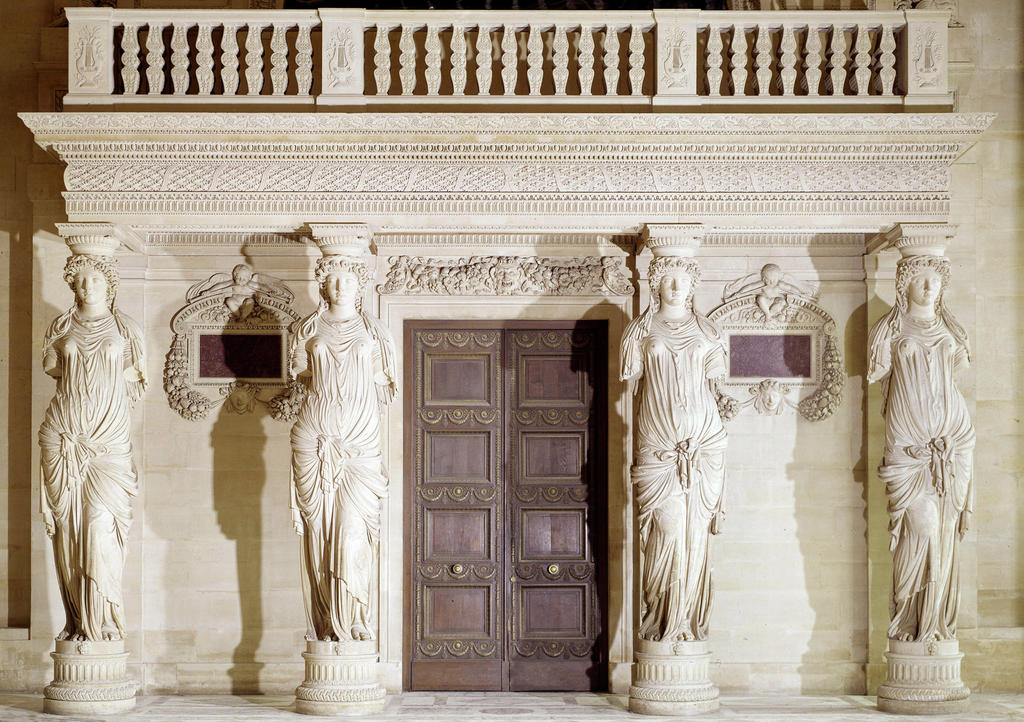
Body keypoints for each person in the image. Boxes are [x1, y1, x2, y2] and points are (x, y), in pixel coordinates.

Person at [39, 254, 147, 642]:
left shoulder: (126, 329)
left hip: (108, 442)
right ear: (72, 285)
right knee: (69, 531)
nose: (87, 287)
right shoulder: (61, 327)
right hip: (64, 435)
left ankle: (101, 621)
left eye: (95, 280)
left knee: (101, 526)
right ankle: (77, 622)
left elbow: (135, 381)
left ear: (109, 285)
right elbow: (52, 366)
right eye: (81, 281)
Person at [620, 257, 728, 643]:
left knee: (696, 534)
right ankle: (660, 624)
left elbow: (716, 391)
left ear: (694, 284)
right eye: (668, 278)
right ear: (656, 284)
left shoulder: (708, 332)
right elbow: (633, 385)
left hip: (704, 447)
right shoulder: (640, 331)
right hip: (658, 446)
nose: (676, 286)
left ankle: (685, 626)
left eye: (684, 279)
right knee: (667, 531)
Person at [289, 256, 396, 642]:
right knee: (318, 533)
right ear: (322, 285)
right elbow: (300, 373)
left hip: (360, 443)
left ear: (359, 285)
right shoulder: (307, 330)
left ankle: (353, 617)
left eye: (347, 279)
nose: (339, 286)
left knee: (352, 533)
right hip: (314, 438)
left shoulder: (375, 332)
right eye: (332, 279)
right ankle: (324, 624)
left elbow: (383, 387)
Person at [868, 255, 974, 642]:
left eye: (935, 279)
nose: (929, 286)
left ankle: (935, 629)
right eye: (920, 278)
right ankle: (910, 623)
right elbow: (878, 373)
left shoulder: (952, 330)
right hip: (907, 448)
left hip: (953, 444)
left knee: (944, 534)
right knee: (922, 530)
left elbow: (957, 379)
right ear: (904, 284)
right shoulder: (889, 329)